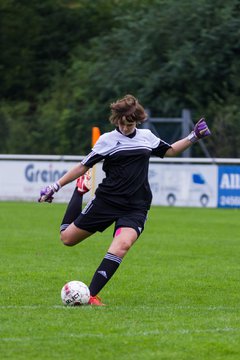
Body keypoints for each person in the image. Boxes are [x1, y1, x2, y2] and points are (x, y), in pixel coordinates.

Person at [38, 94, 211, 306]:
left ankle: (90, 295)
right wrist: (55, 186)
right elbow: (83, 165)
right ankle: (79, 192)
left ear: (137, 120)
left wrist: (194, 136)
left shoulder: (147, 137)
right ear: (116, 119)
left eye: (130, 123)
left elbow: (171, 150)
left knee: (122, 245)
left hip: (136, 206)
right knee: (68, 239)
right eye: (121, 122)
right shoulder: (107, 140)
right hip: (107, 201)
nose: (125, 127)